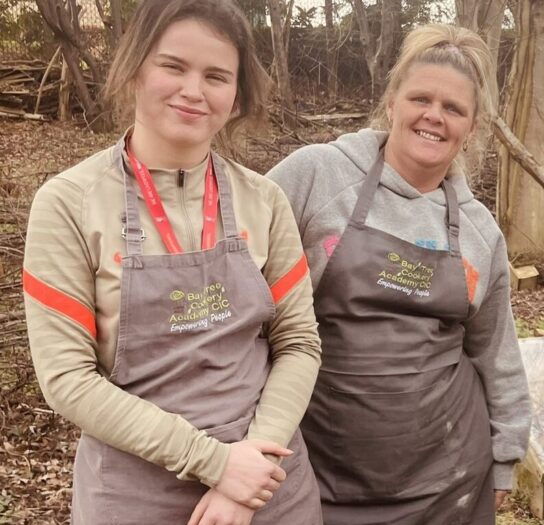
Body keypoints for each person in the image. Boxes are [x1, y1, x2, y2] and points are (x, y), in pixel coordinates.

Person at [22, 1, 323, 523]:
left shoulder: (266, 201)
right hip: (134, 495)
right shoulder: (69, 204)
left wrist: (249, 467)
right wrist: (214, 464)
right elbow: (68, 378)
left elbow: (298, 343)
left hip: (268, 487)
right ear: (136, 68)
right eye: (173, 66)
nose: (193, 90)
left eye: (216, 76)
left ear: (236, 95)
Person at [267, 23, 530, 525]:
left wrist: (505, 459)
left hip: (447, 483)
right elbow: (239, 272)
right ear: (393, 103)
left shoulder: (479, 232)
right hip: (315, 474)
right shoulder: (316, 176)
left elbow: (496, 353)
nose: (435, 116)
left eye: (454, 109)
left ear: (471, 128)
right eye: (421, 99)